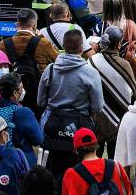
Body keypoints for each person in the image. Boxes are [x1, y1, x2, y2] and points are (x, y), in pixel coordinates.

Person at [38, 29, 105, 177]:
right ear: (82, 48)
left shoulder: (50, 69)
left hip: (52, 127)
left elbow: (40, 101)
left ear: (63, 46)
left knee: (51, 171)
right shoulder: (91, 73)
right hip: (79, 130)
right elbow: (98, 106)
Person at [0, 72, 44, 166]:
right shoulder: (24, 112)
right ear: (15, 93)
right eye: (21, 88)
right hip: (18, 163)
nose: (23, 91)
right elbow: (38, 140)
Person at [88, 26, 136, 157]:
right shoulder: (125, 64)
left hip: (95, 116)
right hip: (119, 118)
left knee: (94, 155)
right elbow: (132, 91)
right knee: (114, 156)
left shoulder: (92, 61)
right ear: (119, 43)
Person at [60, 126, 131, 195]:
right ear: (96, 146)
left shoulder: (71, 174)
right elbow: (128, 190)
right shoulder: (116, 166)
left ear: (77, 151)